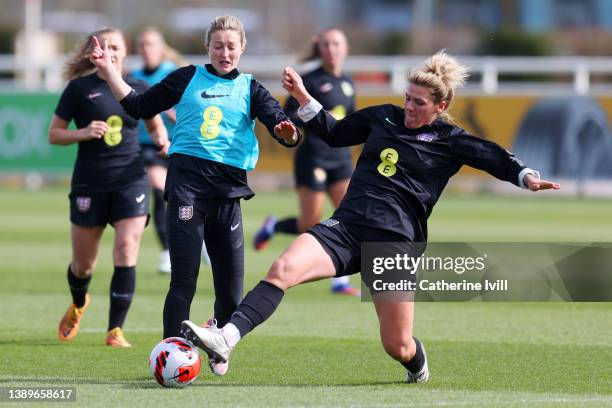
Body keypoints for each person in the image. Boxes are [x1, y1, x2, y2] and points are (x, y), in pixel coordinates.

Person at [180, 51, 560, 383]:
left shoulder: (450, 139)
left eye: (419, 103)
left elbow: (493, 155)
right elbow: (334, 132)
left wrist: (526, 177)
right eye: (408, 99)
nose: (409, 108)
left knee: (396, 345)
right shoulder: (384, 117)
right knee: (282, 269)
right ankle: (226, 339)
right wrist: (301, 96)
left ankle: (416, 361)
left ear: (440, 107)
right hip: (345, 227)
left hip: (394, 243)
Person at [89, 16, 300, 374]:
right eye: (218, 45)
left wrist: (288, 133)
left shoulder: (251, 88)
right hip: (187, 189)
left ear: (242, 48)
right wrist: (111, 73)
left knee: (232, 296)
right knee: (183, 280)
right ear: (208, 47)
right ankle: (169, 357)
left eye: (231, 46)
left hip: (228, 196)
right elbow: (139, 107)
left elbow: (283, 128)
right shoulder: (187, 77)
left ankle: (218, 341)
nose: (225, 52)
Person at [49, 27, 169, 348]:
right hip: (90, 182)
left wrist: (162, 140)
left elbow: (154, 124)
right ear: (93, 53)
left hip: (131, 181)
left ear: (125, 51)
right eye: (104, 47)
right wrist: (83, 132)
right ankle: (78, 303)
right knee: (83, 265)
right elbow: (54, 134)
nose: (111, 52)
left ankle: (115, 330)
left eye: (116, 46)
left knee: (127, 250)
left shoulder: (139, 87)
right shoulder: (78, 89)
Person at [253, 28, 359, 296]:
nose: (332, 49)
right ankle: (274, 226)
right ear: (319, 48)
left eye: (336, 44)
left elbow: (351, 120)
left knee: (350, 220)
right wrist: (314, 118)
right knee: (309, 224)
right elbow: (289, 114)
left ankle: (340, 281)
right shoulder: (309, 81)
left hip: (341, 159)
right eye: (326, 44)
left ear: (345, 48)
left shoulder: (348, 82)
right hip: (313, 157)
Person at [131, 27, 211, 273]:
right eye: (142, 44)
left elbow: (196, 110)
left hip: (180, 145)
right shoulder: (133, 77)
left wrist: (172, 113)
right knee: (158, 190)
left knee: (188, 200)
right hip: (150, 146)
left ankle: (203, 241)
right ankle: (167, 250)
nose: (146, 49)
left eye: (151, 44)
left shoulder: (175, 75)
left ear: (161, 47)